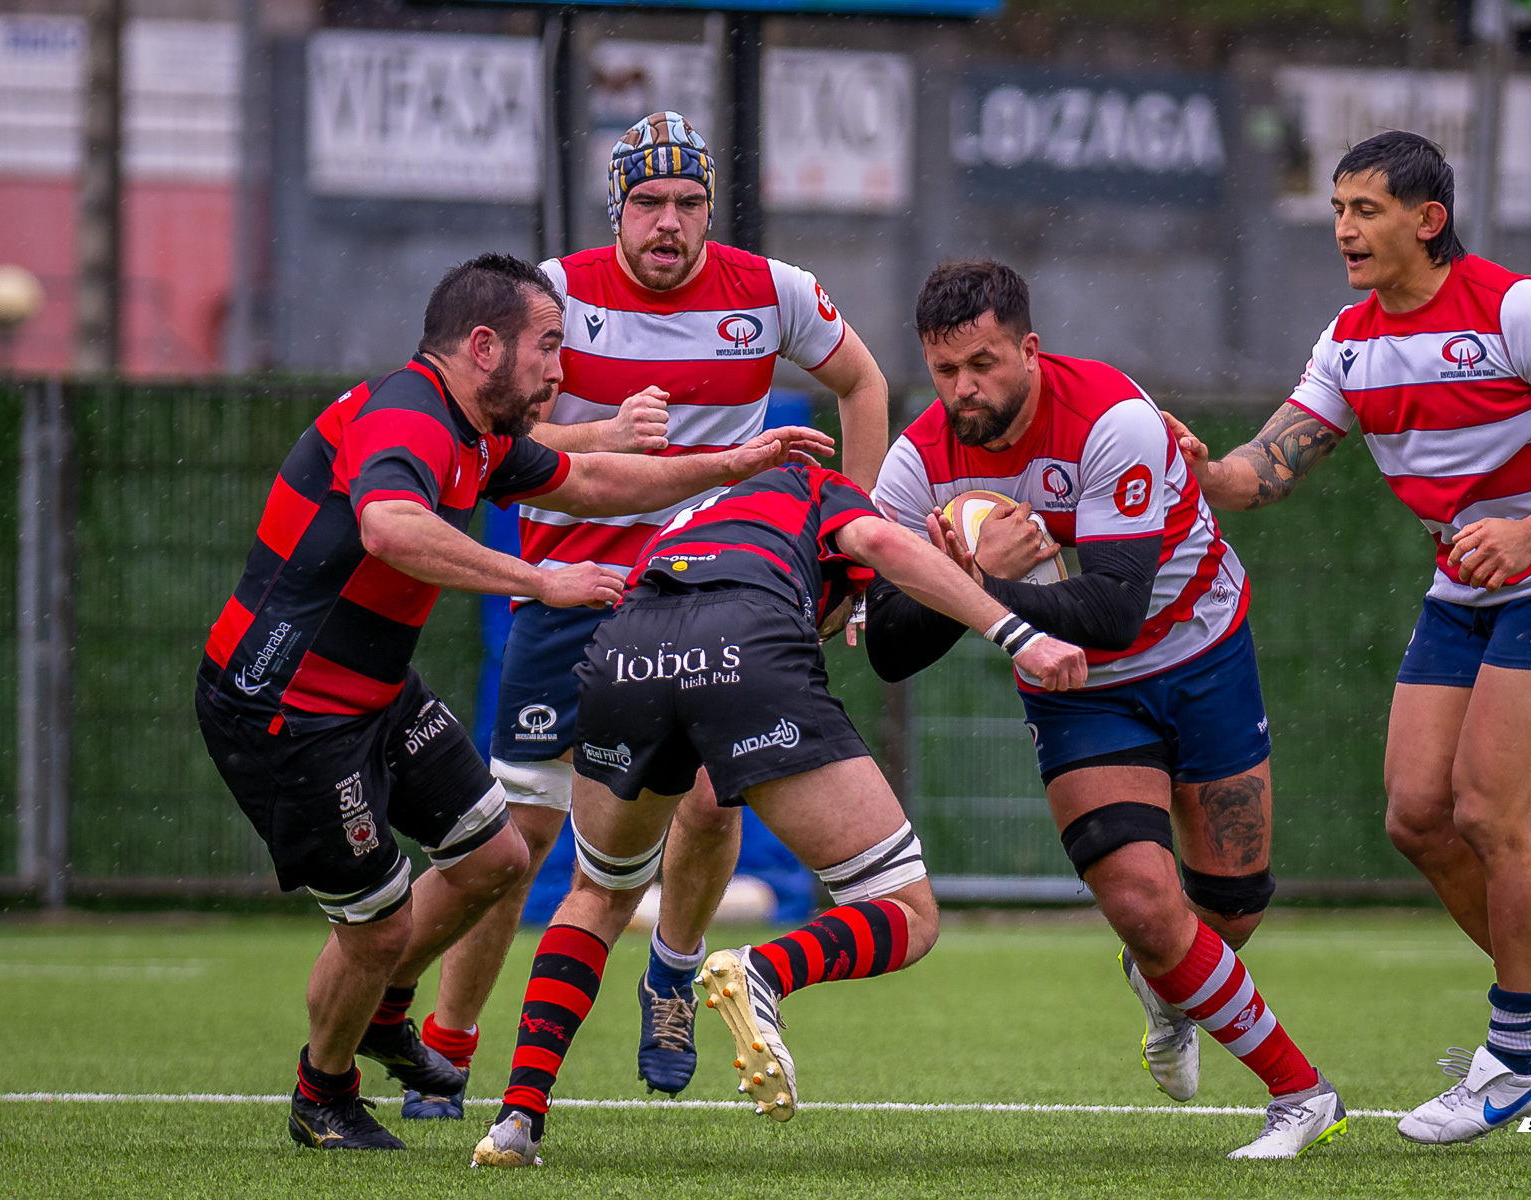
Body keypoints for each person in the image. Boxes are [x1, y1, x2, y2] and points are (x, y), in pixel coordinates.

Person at [194, 252, 833, 1151]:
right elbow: (388, 526)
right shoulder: (409, 419)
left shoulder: (473, 430)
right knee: (374, 934)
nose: (559, 372)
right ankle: (322, 1094)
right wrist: (541, 579)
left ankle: (384, 1018)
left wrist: (739, 462)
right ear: (484, 346)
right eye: (546, 349)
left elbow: (596, 483)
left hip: (371, 693)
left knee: (497, 856)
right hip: (287, 710)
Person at [1164, 131, 1531, 1144]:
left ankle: (1520, 1057)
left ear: (1426, 220)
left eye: (1366, 209)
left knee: (1488, 809)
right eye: (1339, 210)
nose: (1344, 229)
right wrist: (1205, 469)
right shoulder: (1350, 341)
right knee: (1418, 817)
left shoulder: (1519, 309)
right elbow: (1269, 468)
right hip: (1467, 590)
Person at [413, 110, 890, 1116]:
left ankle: (671, 972)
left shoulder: (772, 293)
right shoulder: (555, 293)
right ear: (616, 208)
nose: (668, 223)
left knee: (716, 803)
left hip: (714, 601)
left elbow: (863, 383)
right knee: (518, 843)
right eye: (648, 203)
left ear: (711, 209)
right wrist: (600, 431)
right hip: (571, 595)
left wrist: (853, 540)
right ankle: (450, 1049)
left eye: (688, 204)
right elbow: (500, 428)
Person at [469, 461, 1089, 1169]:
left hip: (625, 649)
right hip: (746, 646)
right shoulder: (820, 486)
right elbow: (882, 550)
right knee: (907, 910)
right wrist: (1019, 633)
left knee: (599, 890)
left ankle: (518, 1117)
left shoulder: (698, 523)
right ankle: (764, 971)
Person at [865, 259, 1346, 1160]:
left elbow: (1117, 606)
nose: (964, 390)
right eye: (944, 370)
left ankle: (1165, 983)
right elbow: (889, 648)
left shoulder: (1113, 421)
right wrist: (965, 585)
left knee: (1229, 910)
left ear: (1030, 349)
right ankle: (1301, 1093)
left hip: (1199, 652)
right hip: (1080, 689)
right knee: (1139, 896)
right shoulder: (916, 463)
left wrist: (978, 584)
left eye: (984, 364)